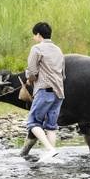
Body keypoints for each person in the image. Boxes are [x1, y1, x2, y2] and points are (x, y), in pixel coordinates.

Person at [25, 22, 65, 160]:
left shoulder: (36, 49)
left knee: (32, 123)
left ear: (38, 35)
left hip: (45, 91)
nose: (33, 38)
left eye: (34, 35)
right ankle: (52, 155)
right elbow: (63, 74)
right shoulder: (58, 50)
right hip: (59, 92)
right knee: (51, 126)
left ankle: (49, 149)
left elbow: (32, 72)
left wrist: (29, 79)